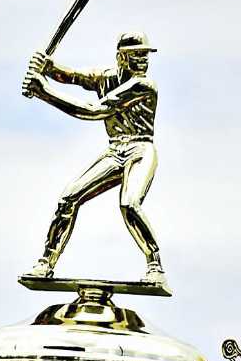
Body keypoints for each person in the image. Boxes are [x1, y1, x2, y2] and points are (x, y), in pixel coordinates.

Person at [23, 32, 164, 287]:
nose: (143, 60)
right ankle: (46, 262)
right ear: (122, 57)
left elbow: (93, 111)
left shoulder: (143, 85)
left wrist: (44, 92)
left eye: (146, 55)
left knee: (129, 204)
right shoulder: (107, 77)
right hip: (115, 150)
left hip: (140, 150)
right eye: (137, 55)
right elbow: (73, 77)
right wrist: (47, 67)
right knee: (68, 198)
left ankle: (155, 265)